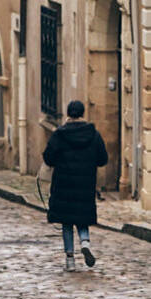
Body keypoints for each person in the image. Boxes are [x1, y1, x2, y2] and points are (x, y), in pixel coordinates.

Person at [42, 100, 108, 271]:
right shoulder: (93, 134)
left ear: (68, 113)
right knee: (82, 217)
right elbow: (103, 159)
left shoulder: (60, 134)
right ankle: (85, 241)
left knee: (66, 222)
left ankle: (70, 259)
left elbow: (48, 157)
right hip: (85, 183)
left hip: (63, 184)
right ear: (82, 113)